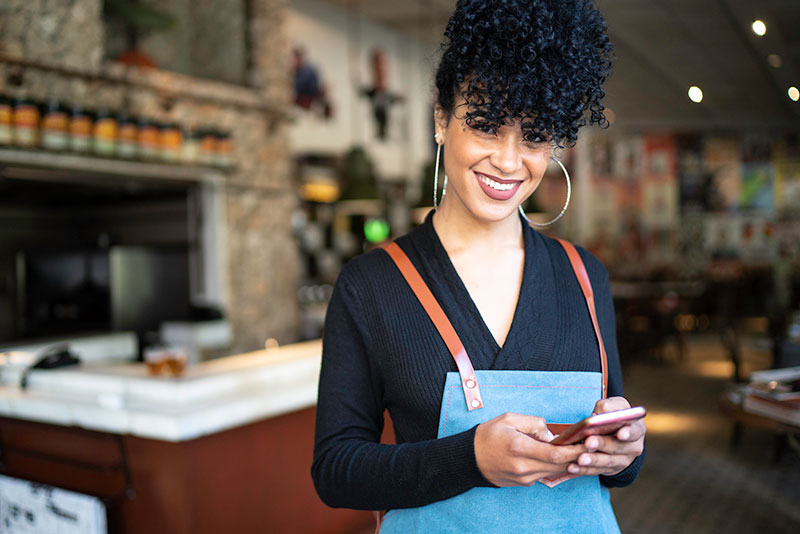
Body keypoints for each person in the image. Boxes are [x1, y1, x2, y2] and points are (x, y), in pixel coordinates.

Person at [312, 1, 645, 532]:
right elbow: (335, 470)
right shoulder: (371, 285)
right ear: (441, 119)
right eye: (487, 126)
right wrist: (469, 460)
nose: (509, 162)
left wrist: (625, 453)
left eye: (534, 136)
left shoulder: (584, 277)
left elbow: (613, 463)